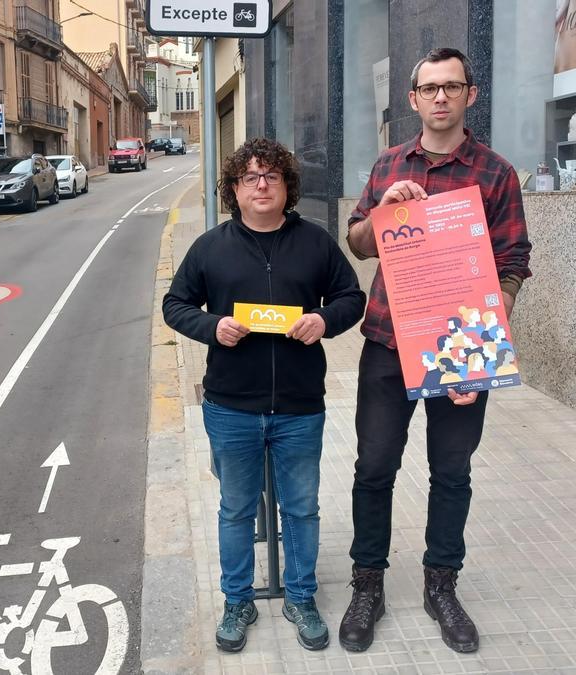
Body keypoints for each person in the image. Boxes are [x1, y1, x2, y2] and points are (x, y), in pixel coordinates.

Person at [340, 47, 532, 654]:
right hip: (389, 342)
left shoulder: (496, 173)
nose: (441, 97)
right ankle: (367, 583)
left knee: (452, 473)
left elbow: (513, 263)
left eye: (452, 87)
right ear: (414, 99)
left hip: (461, 348)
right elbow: (358, 244)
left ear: (470, 95)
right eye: (430, 88)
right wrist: (381, 213)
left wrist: (481, 349)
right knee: (374, 468)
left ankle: (441, 585)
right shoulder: (389, 164)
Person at [163, 138, 366, 653]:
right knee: (235, 509)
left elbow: (351, 297)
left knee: (301, 509)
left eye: (271, 176)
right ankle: (238, 599)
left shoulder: (316, 243)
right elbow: (175, 303)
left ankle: (300, 596)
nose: (261, 185)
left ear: (286, 186)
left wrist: (323, 319)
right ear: (234, 188)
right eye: (250, 177)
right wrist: (213, 327)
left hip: (299, 405)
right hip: (231, 405)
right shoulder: (211, 246)